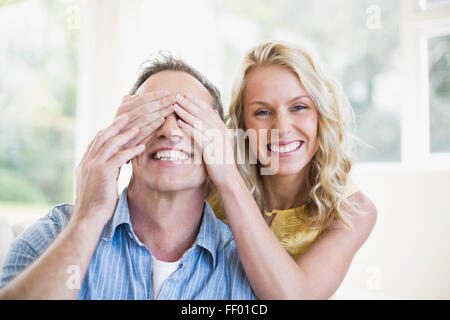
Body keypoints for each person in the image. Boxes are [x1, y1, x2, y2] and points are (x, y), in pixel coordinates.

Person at [0, 54, 256, 300]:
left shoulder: (247, 267)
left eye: (188, 116)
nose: (170, 131)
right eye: (152, 116)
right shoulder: (53, 234)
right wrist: (87, 218)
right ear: (121, 134)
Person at [174, 41, 377, 299]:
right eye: (263, 112)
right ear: (242, 122)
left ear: (321, 115)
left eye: (299, 107)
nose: (282, 128)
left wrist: (229, 179)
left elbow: (294, 296)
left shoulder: (354, 212)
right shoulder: (208, 183)